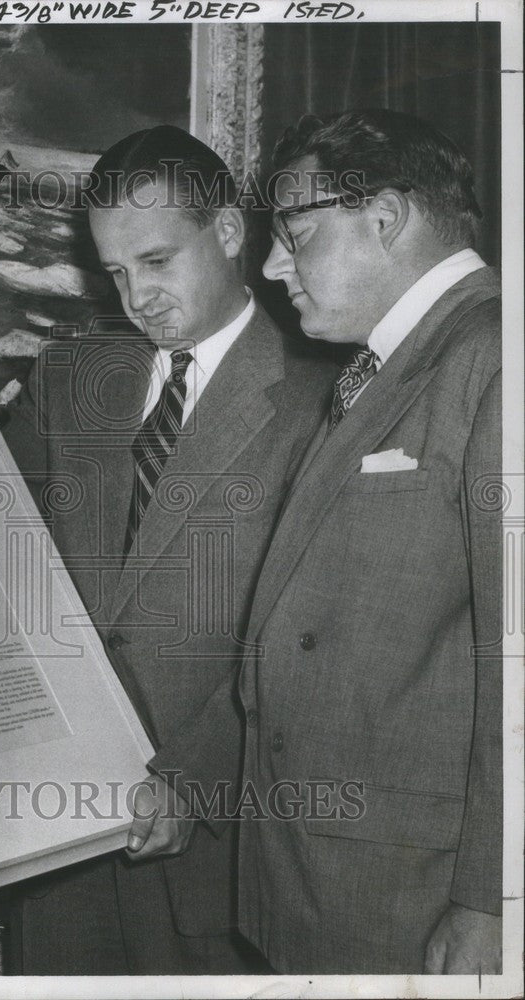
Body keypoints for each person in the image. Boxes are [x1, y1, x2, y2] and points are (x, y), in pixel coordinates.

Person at [0, 124, 337, 974]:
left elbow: (317, 652)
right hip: (55, 841)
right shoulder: (72, 374)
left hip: (214, 850)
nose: (137, 299)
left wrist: (191, 778)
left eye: (158, 261)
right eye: (117, 273)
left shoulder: (326, 396)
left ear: (230, 232)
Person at [147, 109, 502, 974]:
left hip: (415, 897)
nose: (271, 267)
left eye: (295, 235)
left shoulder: (494, 358)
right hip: (330, 872)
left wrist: (490, 898)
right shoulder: (388, 363)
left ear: (383, 220)